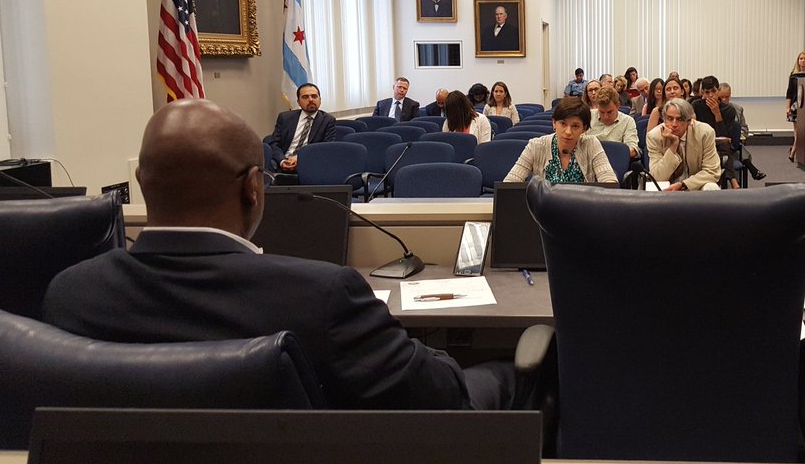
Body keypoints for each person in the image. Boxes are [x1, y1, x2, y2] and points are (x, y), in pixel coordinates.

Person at [43, 98, 513, 411]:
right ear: (254, 187)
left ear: (141, 186)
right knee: (515, 369)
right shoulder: (322, 296)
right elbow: (440, 397)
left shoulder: (70, 294)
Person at [503, 97, 617, 184]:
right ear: (554, 123)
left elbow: (609, 181)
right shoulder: (535, 145)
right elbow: (510, 182)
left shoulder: (591, 144)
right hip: (544, 210)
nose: (568, 131)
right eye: (563, 124)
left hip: (583, 210)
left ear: (584, 129)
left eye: (575, 126)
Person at [646, 98, 721, 191]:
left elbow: (712, 171)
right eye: (670, 119)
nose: (674, 124)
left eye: (680, 119)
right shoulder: (654, 136)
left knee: (711, 187)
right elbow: (657, 177)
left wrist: (684, 184)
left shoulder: (705, 132)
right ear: (664, 119)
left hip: (695, 185)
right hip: (667, 187)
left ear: (689, 121)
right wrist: (673, 145)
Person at [268, 83, 337, 173]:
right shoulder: (285, 118)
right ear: (298, 102)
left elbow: (325, 148)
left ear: (320, 100)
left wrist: (299, 157)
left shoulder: (328, 120)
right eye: (305, 97)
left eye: (314, 96)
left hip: (308, 162)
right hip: (283, 161)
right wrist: (282, 161)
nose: (311, 100)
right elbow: (274, 143)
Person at [692, 75, 742, 188]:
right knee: (722, 148)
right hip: (701, 143)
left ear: (718, 91)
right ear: (702, 93)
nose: (710, 95)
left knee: (724, 145)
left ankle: (729, 179)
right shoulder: (696, 106)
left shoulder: (728, 109)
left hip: (720, 144)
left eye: (713, 91)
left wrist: (717, 114)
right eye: (707, 92)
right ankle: (732, 179)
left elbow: (724, 136)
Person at [720, 82, 767, 181]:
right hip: (720, 143)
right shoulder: (714, 109)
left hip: (734, 142)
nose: (724, 100)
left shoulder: (737, 109)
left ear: (730, 95)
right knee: (738, 152)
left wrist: (739, 135)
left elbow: (744, 128)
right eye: (721, 97)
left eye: (727, 97)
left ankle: (736, 179)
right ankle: (751, 169)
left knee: (737, 148)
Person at [585, 85, 639, 159]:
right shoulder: (588, 116)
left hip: (615, 162)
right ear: (597, 106)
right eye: (601, 112)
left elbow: (633, 150)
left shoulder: (628, 121)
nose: (605, 116)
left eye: (609, 112)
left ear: (618, 105)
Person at [785, 52, 805, 162]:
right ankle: (794, 150)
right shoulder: (794, 75)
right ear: (798, 60)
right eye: (801, 58)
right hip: (796, 106)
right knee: (797, 132)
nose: (803, 60)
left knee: (804, 131)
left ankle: (794, 151)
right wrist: (787, 107)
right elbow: (789, 93)